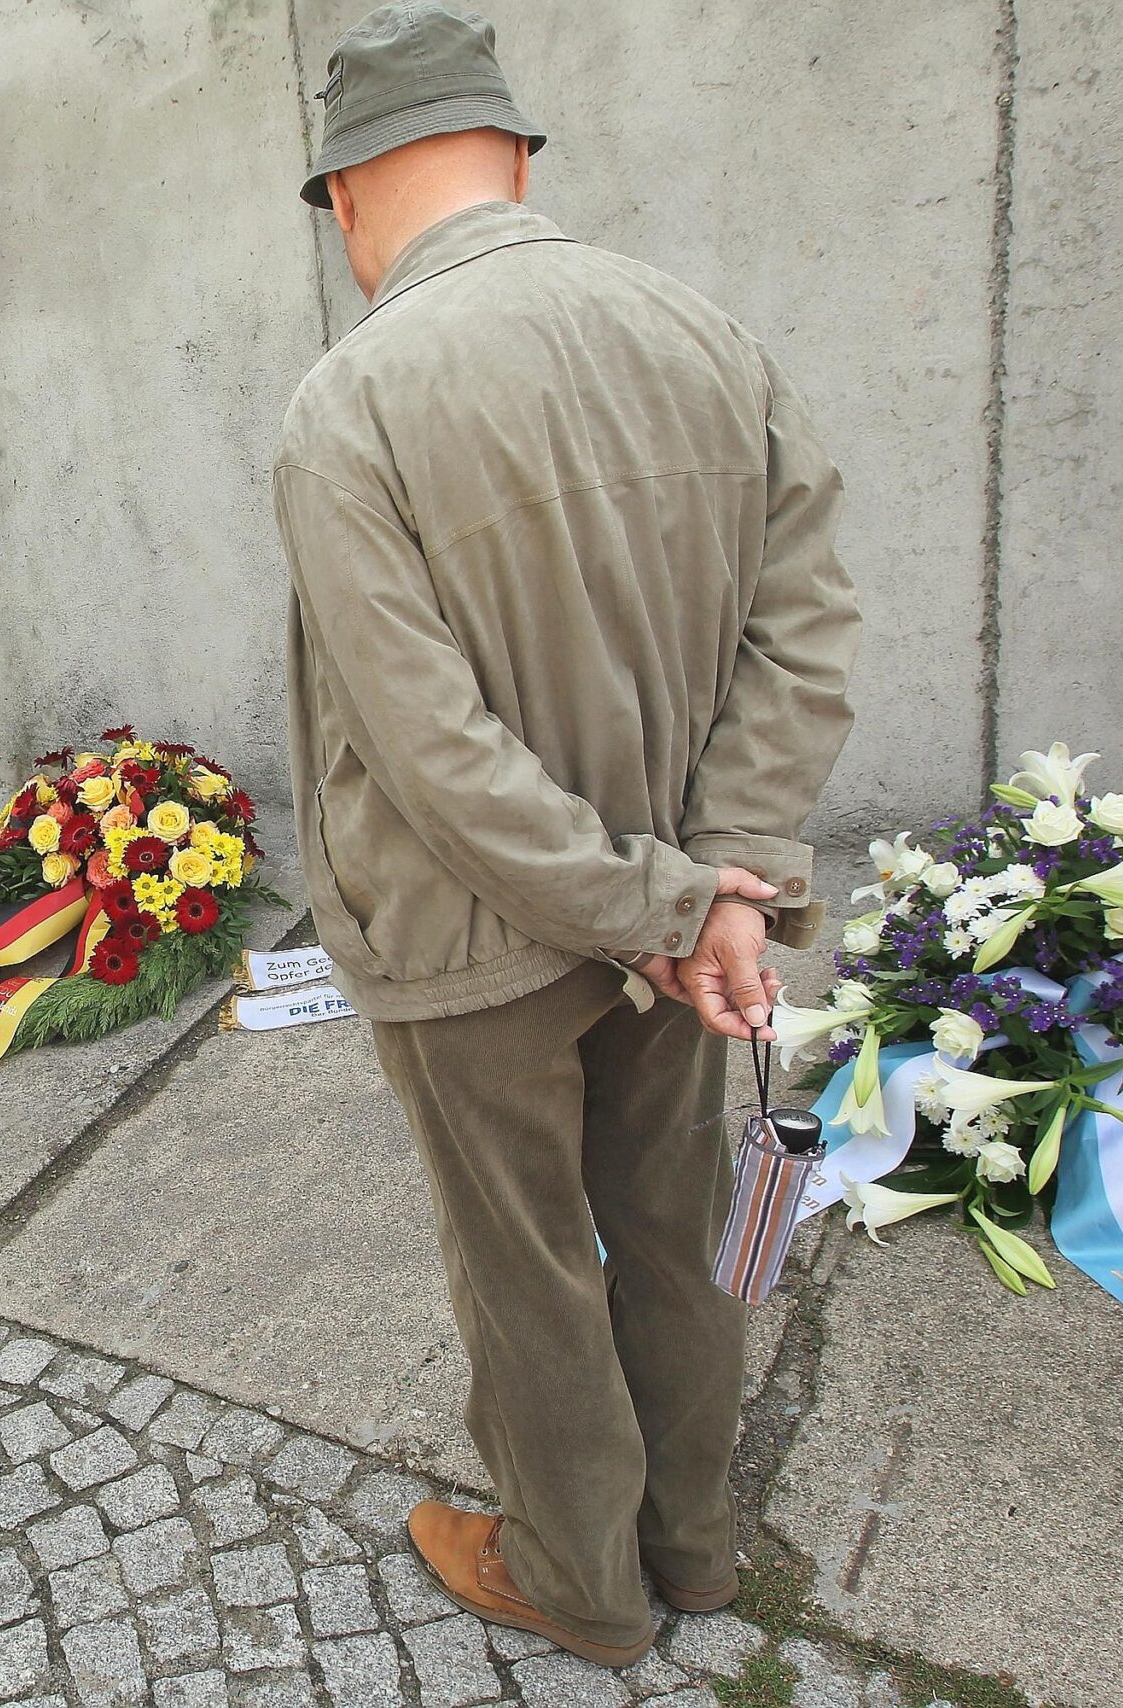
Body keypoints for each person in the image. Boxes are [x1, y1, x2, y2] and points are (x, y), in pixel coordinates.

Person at [276, 3, 862, 1669]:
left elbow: (430, 754)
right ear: (519, 157)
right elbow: (807, 635)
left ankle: (579, 1585)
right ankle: (691, 1550)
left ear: (344, 195)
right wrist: (715, 887)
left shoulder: (351, 404)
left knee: (530, 1265)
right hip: (680, 926)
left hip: (477, 951)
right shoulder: (704, 336)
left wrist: (669, 903)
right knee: (668, 1230)